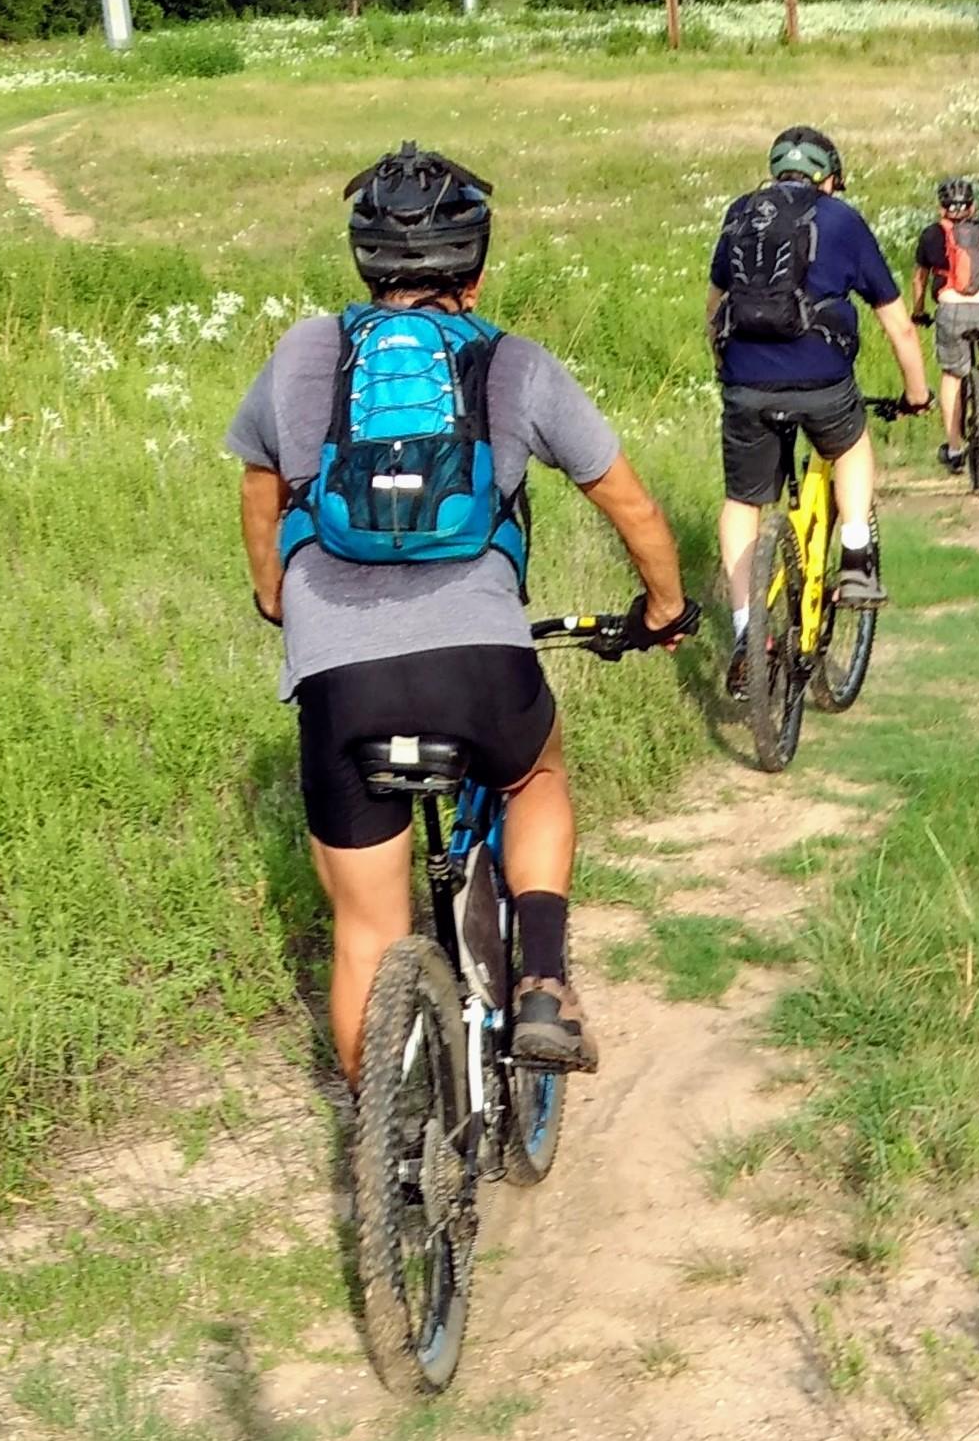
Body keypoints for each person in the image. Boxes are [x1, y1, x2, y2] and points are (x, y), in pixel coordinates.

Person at [228, 142, 690, 1087]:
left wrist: (276, 597)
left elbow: (258, 487)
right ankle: (545, 985)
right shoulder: (515, 363)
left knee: (366, 931)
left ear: (364, 263)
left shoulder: (302, 353)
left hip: (338, 674)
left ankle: (388, 1141)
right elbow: (633, 505)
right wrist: (665, 607)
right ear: (474, 271)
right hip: (479, 660)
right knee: (537, 774)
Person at [706, 124, 929, 666]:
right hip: (822, 381)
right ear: (829, 178)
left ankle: (747, 634)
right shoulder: (843, 220)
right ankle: (855, 557)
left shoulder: (741, 214)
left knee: (743, 501)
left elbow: (714, 308)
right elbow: (899, 326)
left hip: (745, 382)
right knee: (849, 445)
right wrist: (917, 394)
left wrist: (724, 368)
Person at [909, 175, 979, 465]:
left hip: (952, 310)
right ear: (973, 206)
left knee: (952, 375)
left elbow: (919, 280)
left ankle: (955, 448)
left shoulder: (931, 236)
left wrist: (919, 311)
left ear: (942, 208)